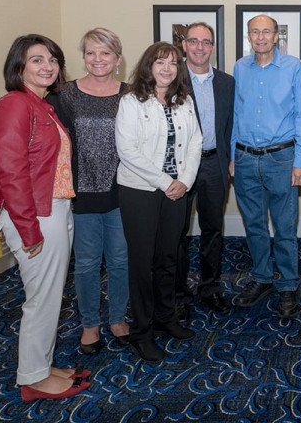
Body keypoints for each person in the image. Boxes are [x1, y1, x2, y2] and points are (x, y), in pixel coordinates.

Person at [0, 34, 90, 401]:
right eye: (37, 60)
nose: (48, 66)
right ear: (18, 66)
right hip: (36, 215)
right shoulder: (14, 106)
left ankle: (41, 365)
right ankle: (34, 379)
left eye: (52, 59)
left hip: (54, 208)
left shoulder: (40, 105)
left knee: (50, 295)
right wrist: (29, 229)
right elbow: (11, 173)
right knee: (41, 298)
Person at [116, 42, 202, 362]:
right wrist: (167, 182)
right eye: (160, 62)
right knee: (142, 263)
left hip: (178, 190)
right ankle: (141, 332)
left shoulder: (184, 100)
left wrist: (185, 181)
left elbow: (195, 141)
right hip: (141, 191)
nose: (167, 69)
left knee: (169, 257)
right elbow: (128, 151)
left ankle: (166, 318)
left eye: (174, 63)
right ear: (148, 66)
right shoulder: (131, 102)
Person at [48, 28, 130, 356]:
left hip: (122, 190)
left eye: (105, 53)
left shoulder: (131, 94)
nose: (98, 60)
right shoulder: (64, 96)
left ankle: (118, 318)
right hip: (80, 194)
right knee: (85, 263)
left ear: (118, 59)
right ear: (83, 57)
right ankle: (90, 323)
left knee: (121, 259)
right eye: (91, 53)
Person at [231, 15, 301, 319]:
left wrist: (300, 161)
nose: (261, 37)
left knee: (285, 227)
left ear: (277, 36)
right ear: (248, 36)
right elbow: (236, 115)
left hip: (282, 159)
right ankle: (262, 277)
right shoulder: (240, 68)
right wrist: (231, 155)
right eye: (255, 32)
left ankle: (288, 284)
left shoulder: (293, 67)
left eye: (267, 32)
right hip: (246, 157)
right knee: (254, 224)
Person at [175, 22, 235, 320]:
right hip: (179, 168)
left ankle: (209, 288)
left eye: (206, 42)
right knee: (178, 232)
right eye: (194, 41)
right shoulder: (170, 79)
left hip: (214, 164)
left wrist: (231, 157)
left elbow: (232, 125)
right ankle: (178, 293)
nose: (200, 47)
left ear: (213, 46)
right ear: (184, 45)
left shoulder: (226, 82)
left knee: (213, 230)